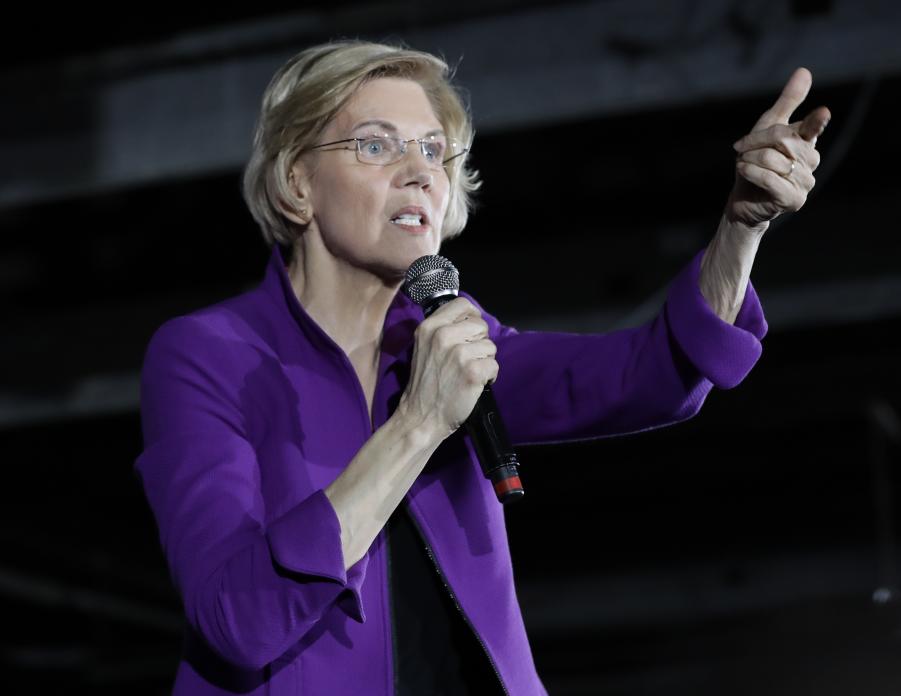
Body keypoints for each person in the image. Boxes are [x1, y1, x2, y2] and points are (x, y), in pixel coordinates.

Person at [135, 40, 829, 695]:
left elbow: (648, 375)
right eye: (376, 145)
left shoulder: (453, 337)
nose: (417, 170)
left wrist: (742, 227)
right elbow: (237, 621)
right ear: (296, 184)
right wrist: (418, 425)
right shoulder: (208, 354)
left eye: (433, 150)